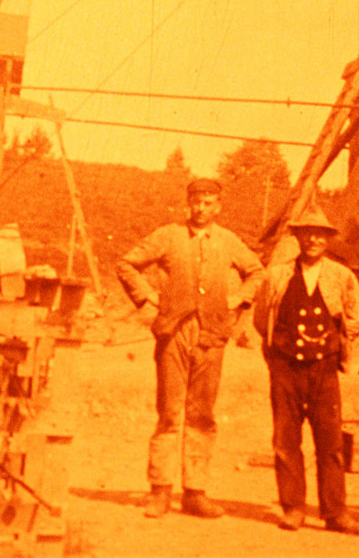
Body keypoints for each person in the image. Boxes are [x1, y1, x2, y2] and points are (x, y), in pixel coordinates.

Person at [115, 177, 264, 518]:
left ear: (218, 206)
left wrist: (238, 297)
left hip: (212, 334)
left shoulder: (229, 241)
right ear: (188, 203)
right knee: (169, 411)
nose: (201, 208)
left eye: (209, 203)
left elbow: (257, 272)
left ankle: (196, 492)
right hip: (174, 332)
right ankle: (161, 491)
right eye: (196, 202)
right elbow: (127, 264)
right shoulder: (168, 235)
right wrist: (147, 296)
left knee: (202, 414)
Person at [251, 207, 359, 534]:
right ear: (298, 237)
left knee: (330, 442)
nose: (313, 239)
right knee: (286, 440)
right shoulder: (277, 275)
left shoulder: (343, 277)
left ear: (328, 239)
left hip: (324, 369)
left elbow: (354, 321)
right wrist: (279, 353)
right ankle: (293, 507)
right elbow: (262, 320)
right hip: (285, 368)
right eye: (307, 233)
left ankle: (335, 512)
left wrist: (340, 350)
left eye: (320, 234)